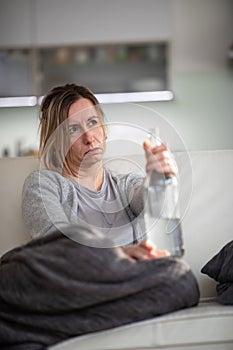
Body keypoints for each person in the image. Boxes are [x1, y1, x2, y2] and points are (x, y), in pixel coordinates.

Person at [22, 83, 177, 261]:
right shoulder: (42, 184)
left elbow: (145, 201)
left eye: (92, 122)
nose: (89, 138)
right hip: (83, 284)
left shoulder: (126, 184)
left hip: (135, 277)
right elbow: (58, 245)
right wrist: (120, 254)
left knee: (179, 274)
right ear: (56, 143)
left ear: (104, 130)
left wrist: (157, 178)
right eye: (73, 129)